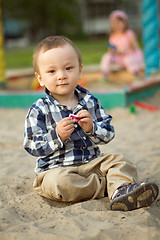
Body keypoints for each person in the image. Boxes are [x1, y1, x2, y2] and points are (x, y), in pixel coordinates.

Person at [24, 36, 158, 211]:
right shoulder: (38, 109)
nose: (62, 75)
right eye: (52, 71)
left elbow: (109, 133)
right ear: (40, 78)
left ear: (80, 71)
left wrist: (92, 128)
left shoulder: (90, 102)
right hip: (56, 169)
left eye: (68, 68)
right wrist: (57, 136)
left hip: (92, 163)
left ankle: (117, 190)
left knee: (121, 162)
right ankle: (110, 186)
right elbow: (31, 145)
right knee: (58, 183)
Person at [100, 10, 144, 79]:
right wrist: (114, 51)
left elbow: (135, 47)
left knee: (129, 60)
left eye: (119, 23)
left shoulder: (129, 33)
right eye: (115, 23)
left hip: (131, 56)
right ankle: (104, 74)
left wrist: (126, 49)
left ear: (125, 23)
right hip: (119, 58)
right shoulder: (113, 36)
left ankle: (136, 74)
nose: (117, 25)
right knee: (107, 57)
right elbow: (110, 50)